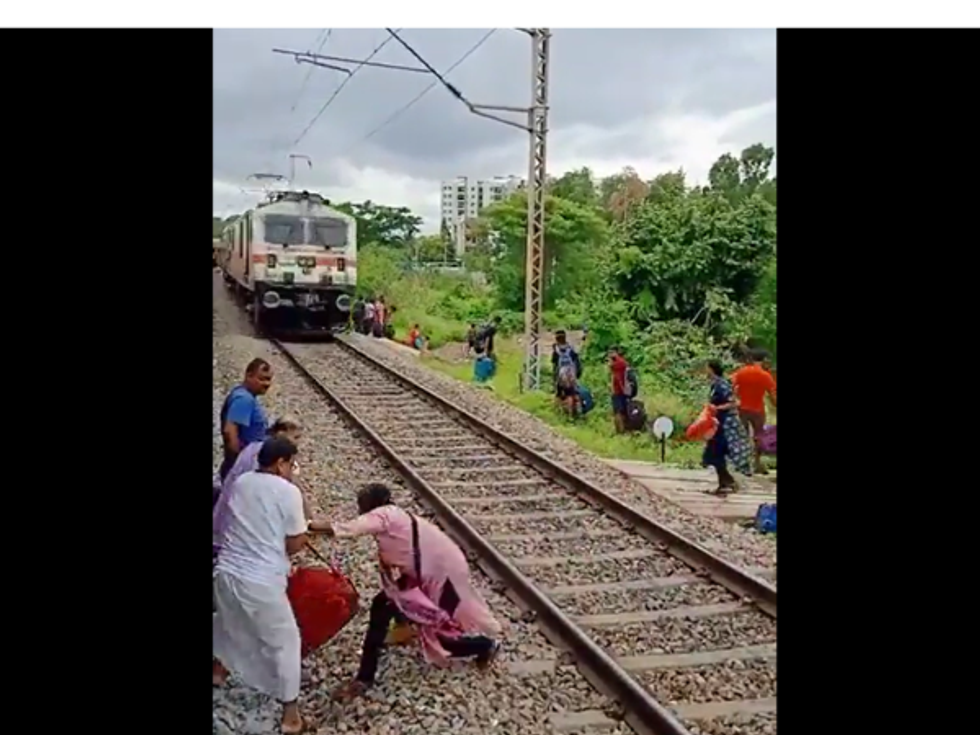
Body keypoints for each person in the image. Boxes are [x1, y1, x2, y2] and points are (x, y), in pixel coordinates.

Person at [320, 483, 501, 700]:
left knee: (435, 631)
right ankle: (388, 648)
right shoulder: (399, 517)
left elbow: (352, 528)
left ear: (372, 505)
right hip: (443, 571)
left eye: (362, 506)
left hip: (438, 577)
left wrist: (309, 526)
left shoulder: (384, 514)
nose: (360, 510)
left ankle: (484, 645)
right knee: (389, 608)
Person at [212, 436, 334, 734]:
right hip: (261, 580)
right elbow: (293, 544)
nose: (294, 470)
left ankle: (218, 670)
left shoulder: (242, 482)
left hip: (225, 573)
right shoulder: (288, 491)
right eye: (292, 464)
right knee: (286, 641)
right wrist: (303, 535)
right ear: (280, 464)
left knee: (229, 621)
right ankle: (292, 717)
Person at [214, 418, 312, 563]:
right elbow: (294, 542)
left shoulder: (255, 450)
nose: (297, 442)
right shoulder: (268, 472)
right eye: (295, 437)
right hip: (241, 547)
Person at [702, 359, 753, 493]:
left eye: (707, 368)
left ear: (712, 369)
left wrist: (717, 408)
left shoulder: (722, 385)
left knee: (716, 453)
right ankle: (724, 482)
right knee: (713, 454)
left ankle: (728, 481)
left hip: (725, 425)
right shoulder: (714, 385)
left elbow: (733, 403)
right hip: (716, 424)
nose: (705, 371)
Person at [219, 358, 273, 481]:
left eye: (269, 379)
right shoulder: (244, 399)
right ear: (249, 376)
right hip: (241, 466)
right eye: (261, 379)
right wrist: (239, 462)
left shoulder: (245, 396)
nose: (266, 384)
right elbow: (230, 431)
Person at [731, 349, 777, 474]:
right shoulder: (765, 375)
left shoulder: (740, 372)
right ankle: (756, 463)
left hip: (743, 409)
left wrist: (736, 400)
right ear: (764, 360)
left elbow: (732, 388)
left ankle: (742, 463)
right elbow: (773, 397)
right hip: (758, 410)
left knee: (742, 436)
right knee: (759, 437)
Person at [551, 330, 582, 416]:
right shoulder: (570, 348)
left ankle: (557, 413)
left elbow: (555, 364)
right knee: (571, 394)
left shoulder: (556, 349)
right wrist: (577, 373)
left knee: (558, 394)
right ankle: (571, 414)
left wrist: (554, 377)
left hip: (561, 374)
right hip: (571, 373)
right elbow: (577, 361)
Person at [608, 346, 630, 433]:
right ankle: (623, 430)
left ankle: (620, 431)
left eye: (611, 352)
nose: (610, 354)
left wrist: (611, 361)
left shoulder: (617, 363)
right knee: (622, 411)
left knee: (617, 412)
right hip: (624, 390)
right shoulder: (624, 362)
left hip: (617, 390)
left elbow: (611, 371)